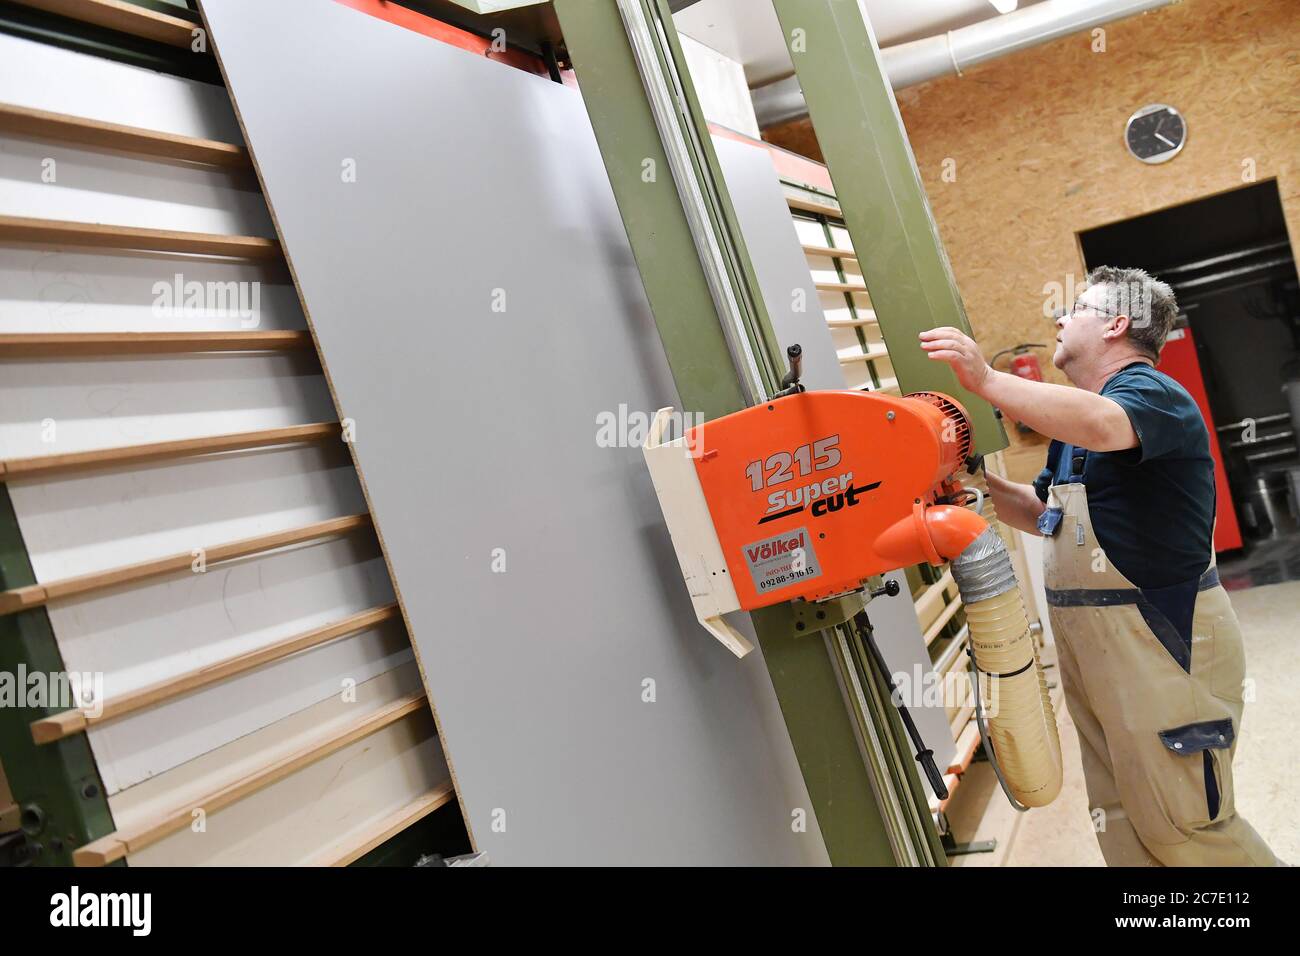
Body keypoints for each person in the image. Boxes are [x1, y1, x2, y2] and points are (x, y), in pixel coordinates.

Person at [920, 265, 1278, 867]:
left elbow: (1107, 426)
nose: (1059, 318)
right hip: (1097, 652)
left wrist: (983, 378)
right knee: (1125, 825)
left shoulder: (1150, 397)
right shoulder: (1072, 429)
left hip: (1163, 644)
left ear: (1117, 324)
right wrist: (971, 483)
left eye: (1077, 308)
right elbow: (1046, 516)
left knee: (1183, 826)